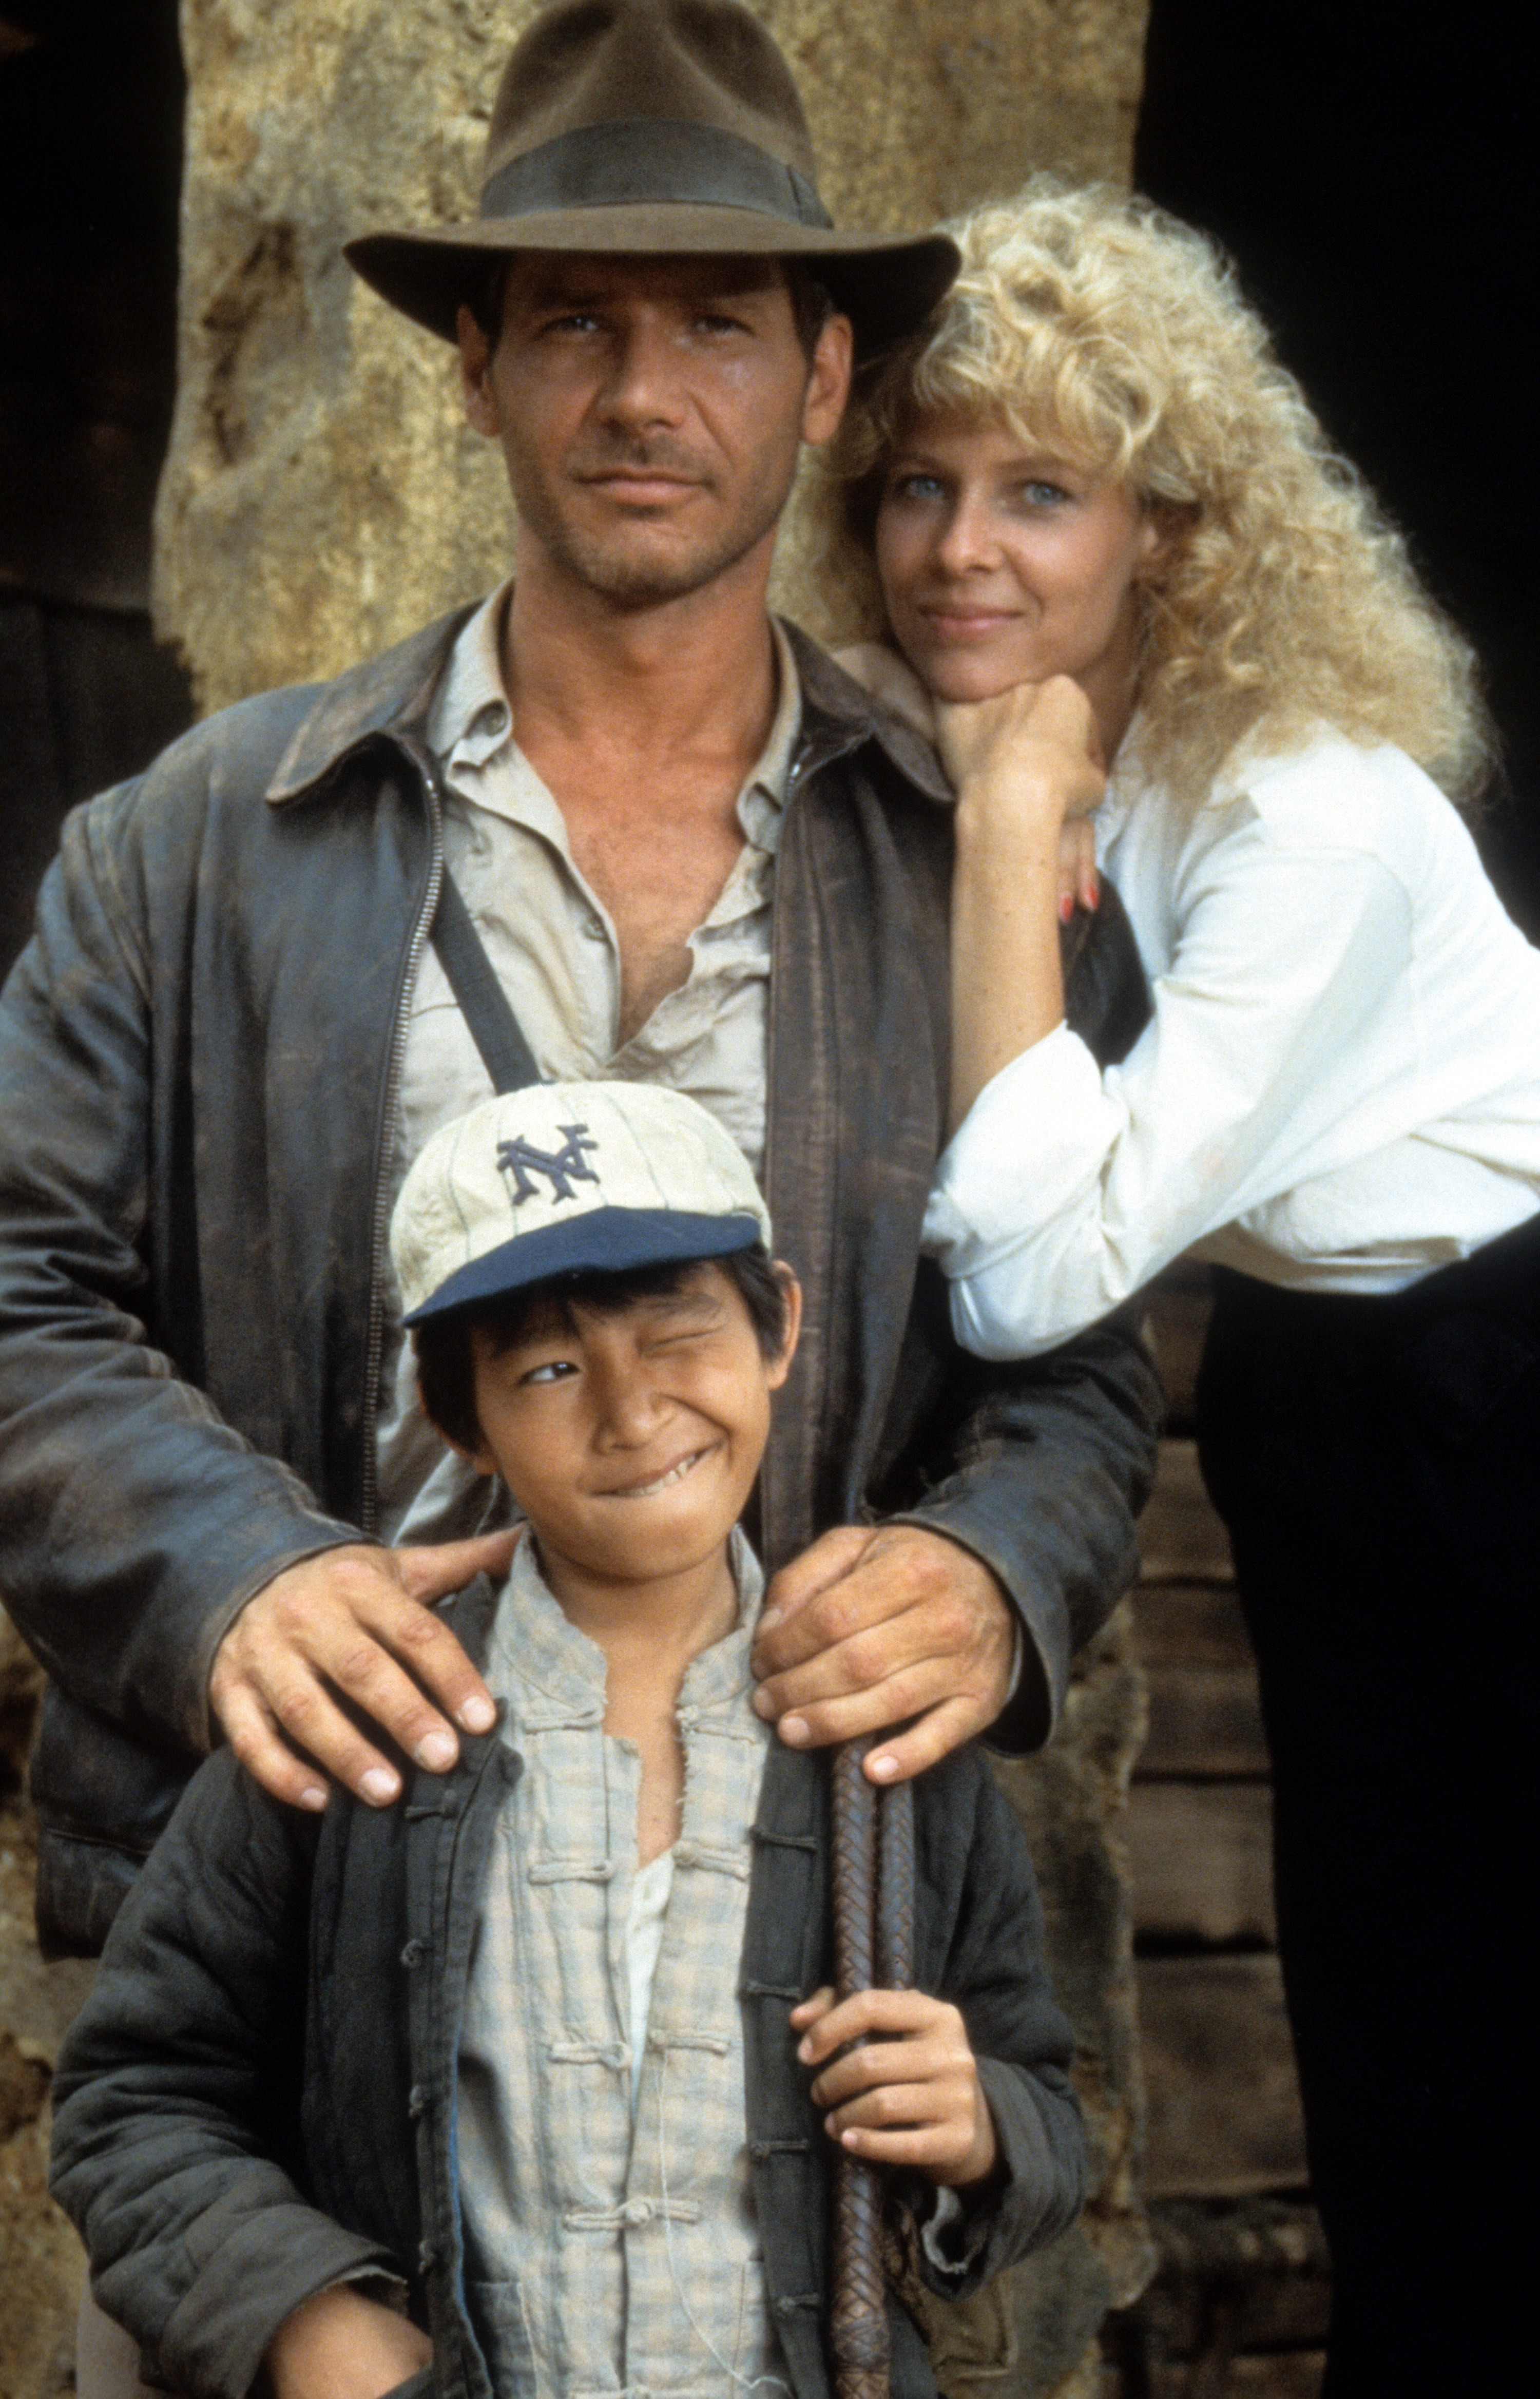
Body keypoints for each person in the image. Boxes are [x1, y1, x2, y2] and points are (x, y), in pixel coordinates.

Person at [827, 175, 1539, 2397]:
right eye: (922, 488)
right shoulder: (1041, 750)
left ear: (1170, 529)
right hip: (1348, 1396)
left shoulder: (1302, 812)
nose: (965, 549)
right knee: (1401, 2049)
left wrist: (1006, 820)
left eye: (1044, 491)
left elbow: (1035, 1265)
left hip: (1515, 1381)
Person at [50, 1078, 1088, 2399]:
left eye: (680, 1331)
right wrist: (314, 2322)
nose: (633, 1410)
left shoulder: (889, 1737)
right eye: (547, 1366)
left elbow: (1043, 2107)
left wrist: (980, 2128)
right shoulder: (366, 1715)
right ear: (456, 1418)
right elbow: (133, 2100)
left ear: (781, 1325)